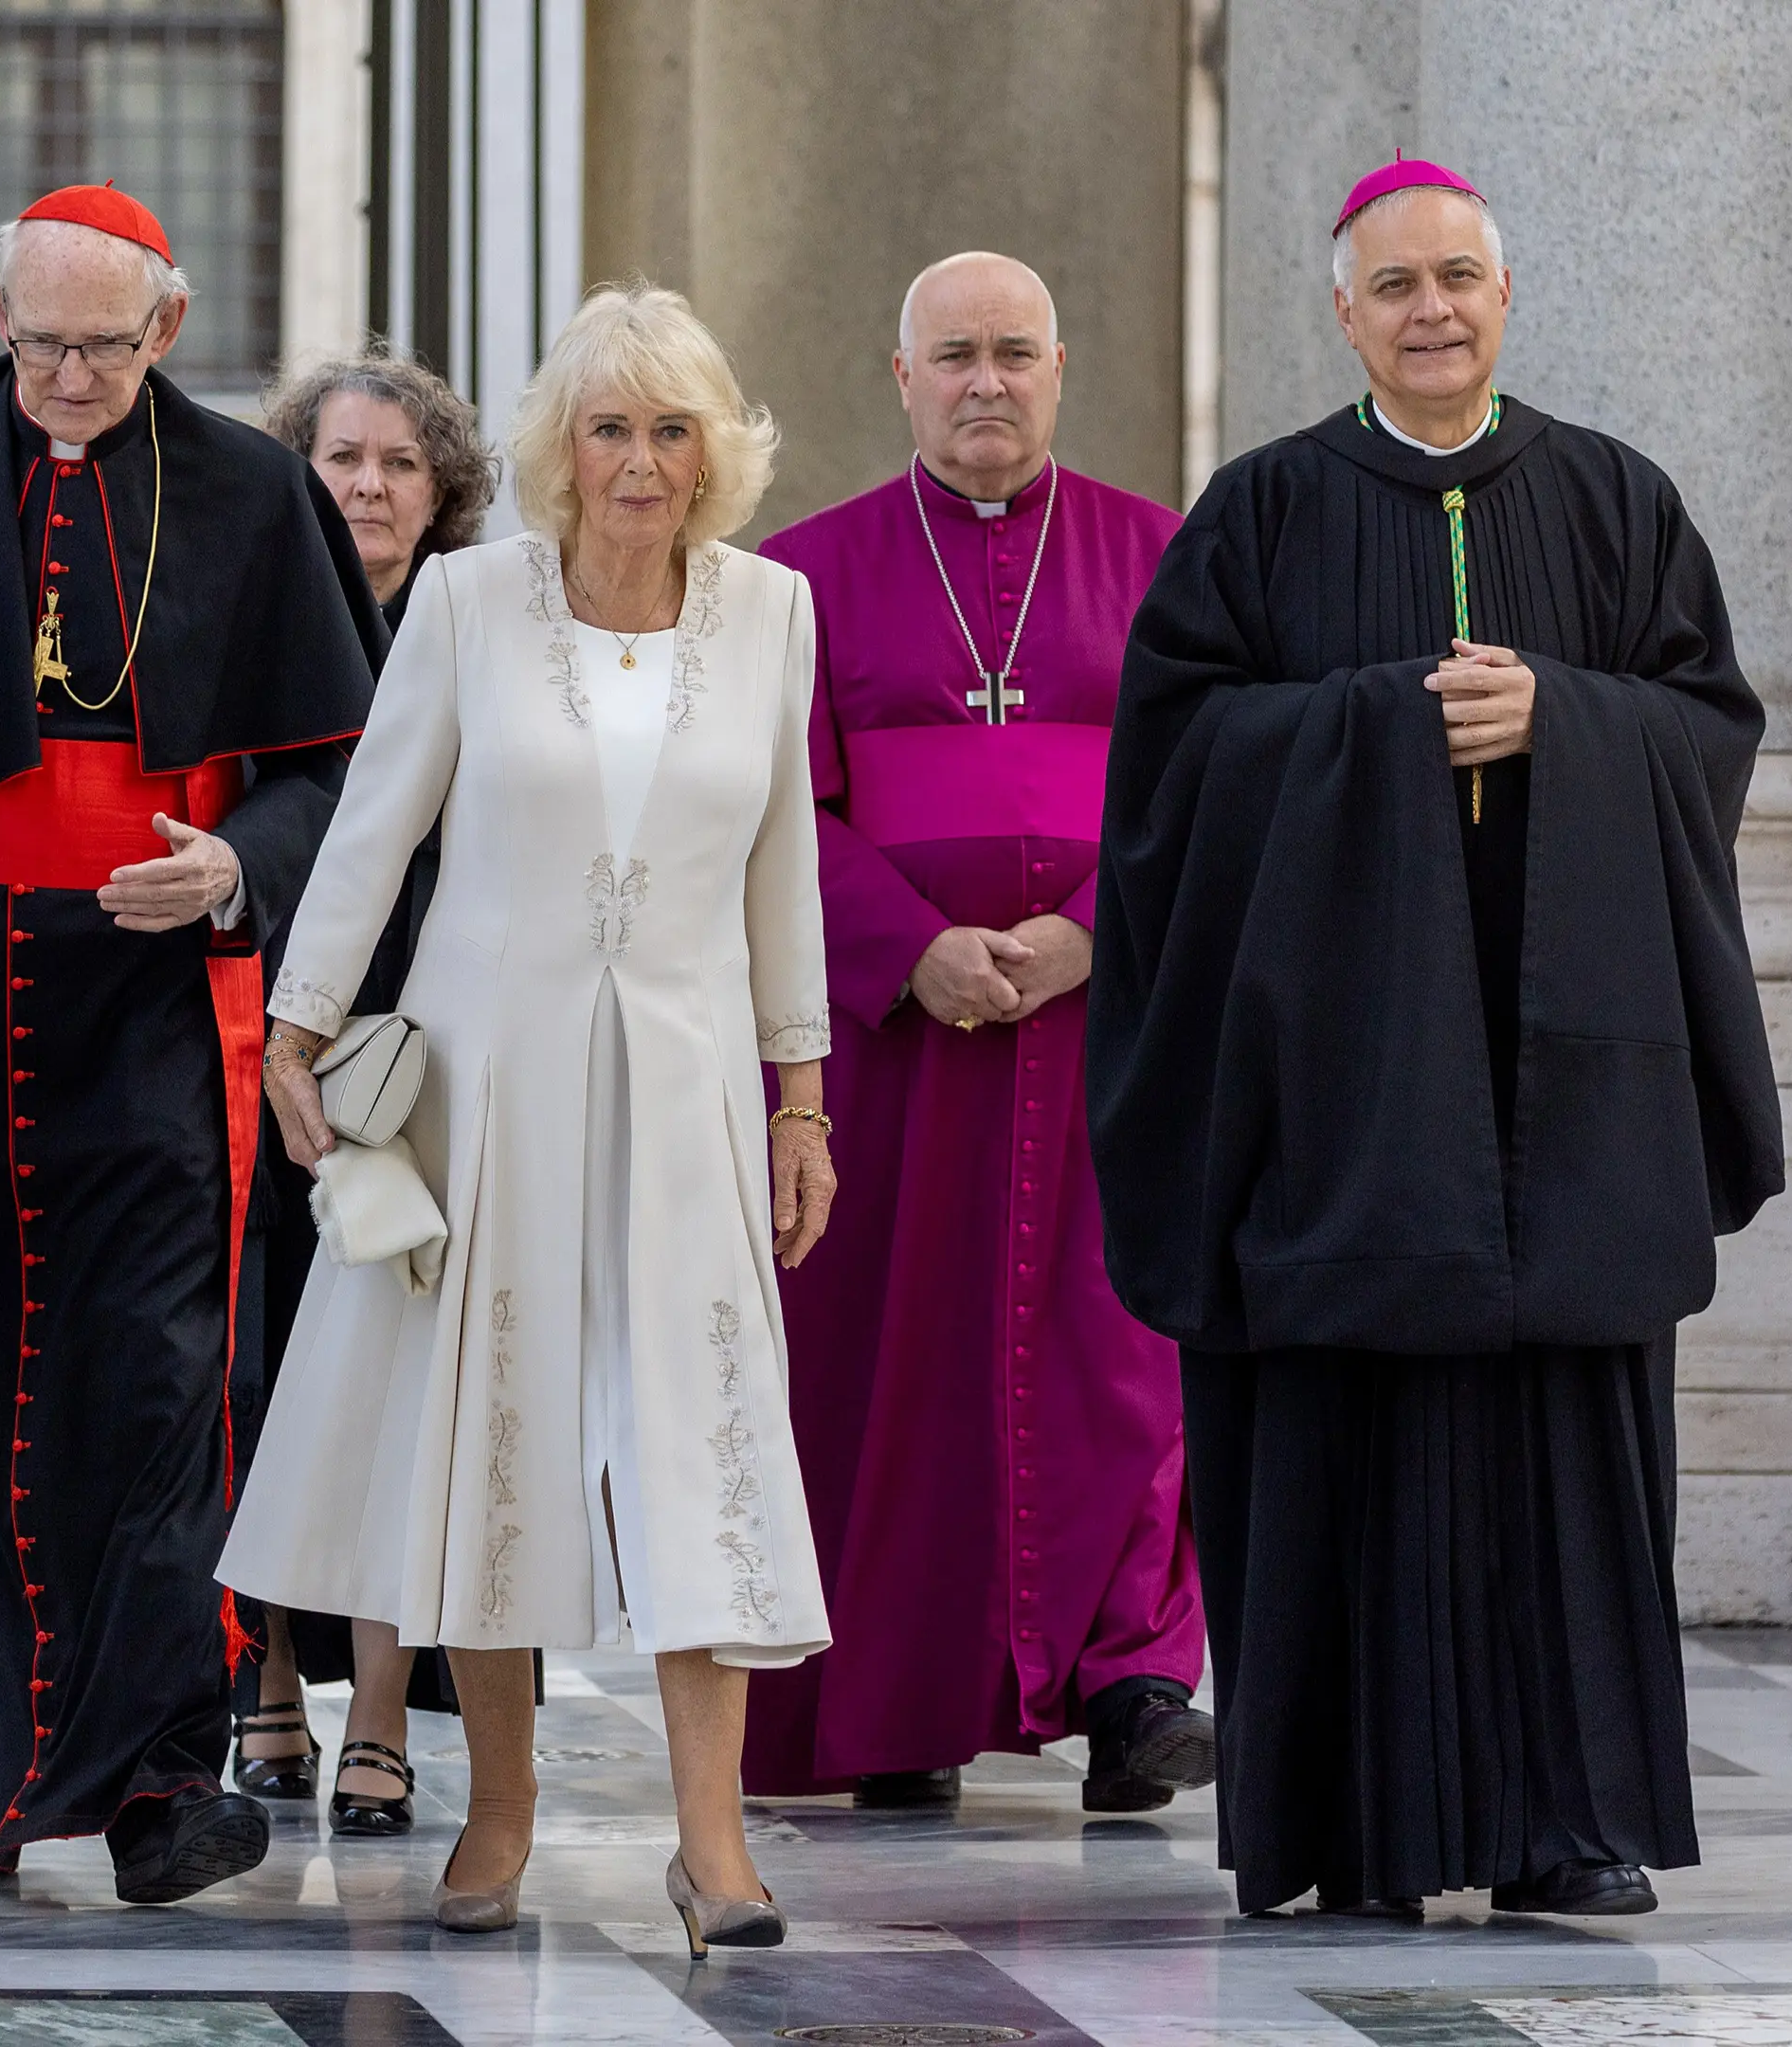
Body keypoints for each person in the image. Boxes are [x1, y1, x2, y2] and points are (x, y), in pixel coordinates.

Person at [1086, 159, 1780, 1920]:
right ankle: (1349, 1831)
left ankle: (1572, 1823)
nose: (1432, 311)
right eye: (1395, 286)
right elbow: (1169, 780)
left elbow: (1709, 728)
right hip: (1341, 1095)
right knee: (1345, 1437)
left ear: (1507, 290)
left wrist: (1568, 721)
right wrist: (1392, 736)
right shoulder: (1257, 517)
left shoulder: (1621, 504)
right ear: (1344, 313)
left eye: (1459, 277)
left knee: (1570, 1442)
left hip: (1571, 1084)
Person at [0, 184, 383, 1904]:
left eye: (99, 349)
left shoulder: (254, 495)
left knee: (157, 1392)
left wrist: (236, 867)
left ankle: (163, 1781)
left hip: (148, 1010)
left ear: (164, 334)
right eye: (34, 342)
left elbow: (338, 769)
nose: (62, 377)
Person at [225, 284, 838, 1952]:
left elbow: (787, 870)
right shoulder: (471, 604)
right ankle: (500, 1807)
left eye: (672, 430)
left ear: (716, 451)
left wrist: (803, 1095)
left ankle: (714, 1843)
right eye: (608, 428)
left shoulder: (774, 614)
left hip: (693, 1093)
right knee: (487, 1435)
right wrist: (299, 1020)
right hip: (488, 1084)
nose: (640, 463)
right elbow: (374, 821)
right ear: (562, 448)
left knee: (701, 1447)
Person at [742, 253, 1211, 1817]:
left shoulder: (1167, 558)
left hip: (1105, 1029)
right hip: (889, 1044)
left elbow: (1206, 791)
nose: (986, 382)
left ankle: (1137, 1686)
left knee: (1116, 1359)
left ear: (1062, 366)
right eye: (955, 354)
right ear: (900, 377)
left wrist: (1093, 929)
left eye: (1015, 351)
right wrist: (909, 947)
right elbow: (768, 818)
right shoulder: (798, 580)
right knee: (895, 1361)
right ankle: (901, 1704)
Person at [230, 346, 495, 1835]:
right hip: (258, 1054)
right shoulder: (251, 629)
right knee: (265, 1383)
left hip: (433, 1062)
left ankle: (385, 1717)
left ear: (442, 490)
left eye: (402, 463)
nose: (373, 485)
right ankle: (265, 1688)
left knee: (404, 1391)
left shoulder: (481, 633)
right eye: (343, 459)